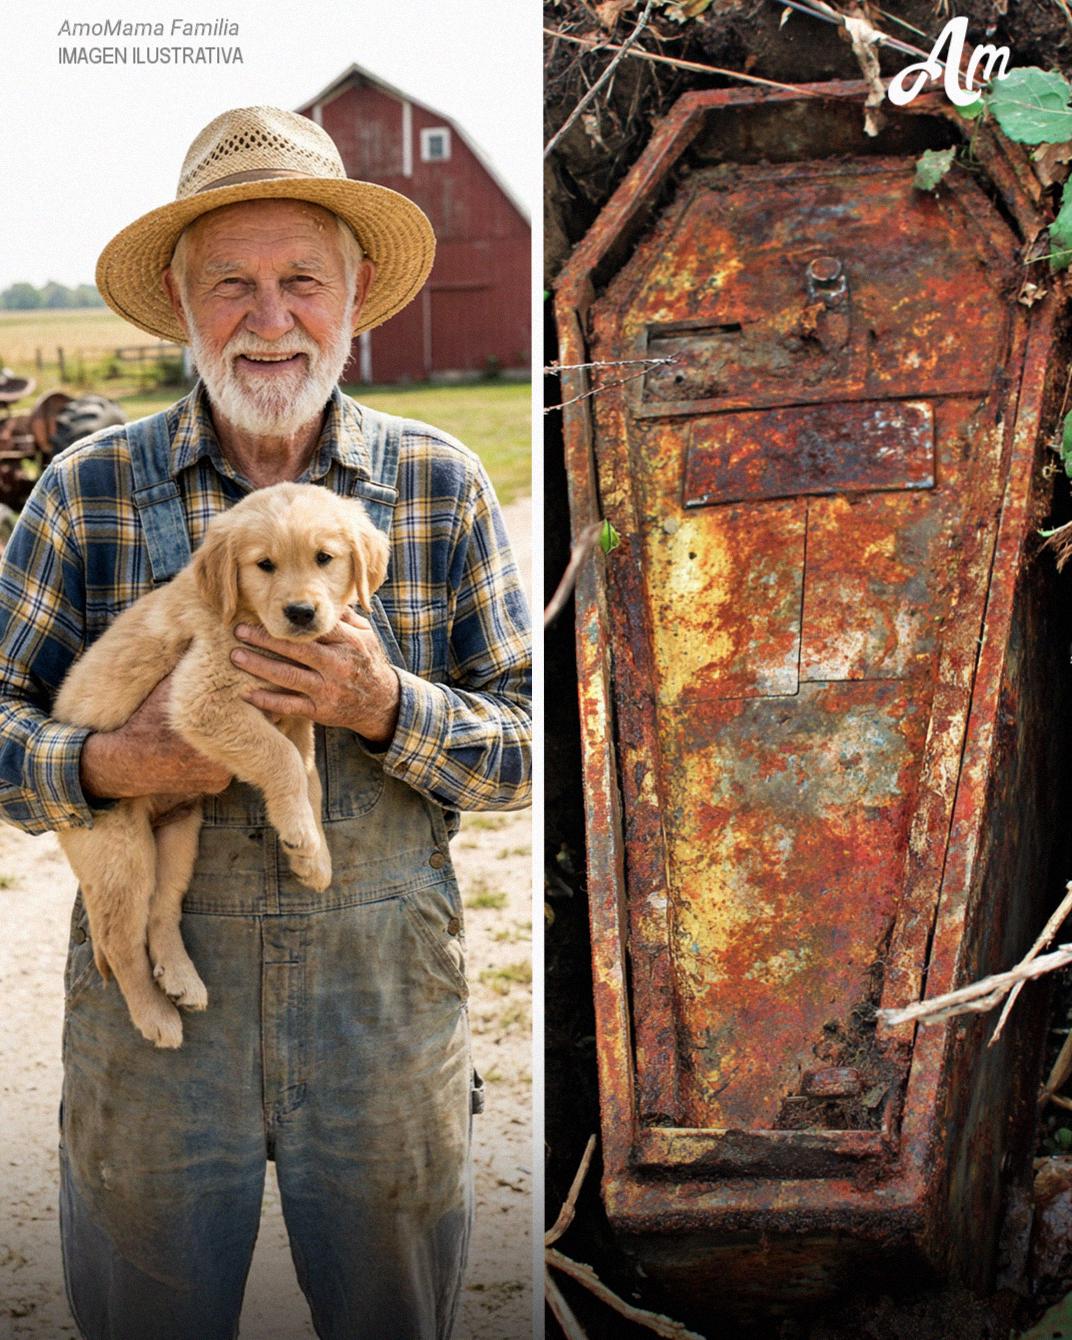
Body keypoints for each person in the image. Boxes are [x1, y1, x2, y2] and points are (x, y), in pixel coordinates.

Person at [0, 105, 531, 1340]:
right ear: (182, 304)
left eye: (302, 279)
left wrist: (383, 703)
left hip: (382, 1003)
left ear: (355, 297)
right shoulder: (88, 489)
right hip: (161, 1038)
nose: (269, 315)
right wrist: (110, 760)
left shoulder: (438, 484)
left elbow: (519, 749)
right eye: (230, 282)